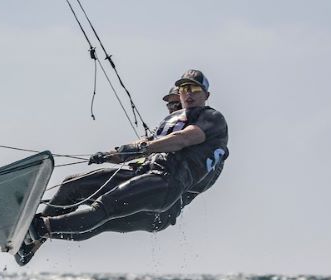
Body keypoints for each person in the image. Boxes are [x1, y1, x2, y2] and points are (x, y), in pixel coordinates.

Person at [15, 70, 229, 265]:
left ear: (206, 95)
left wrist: (144, 148)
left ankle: (39, 228)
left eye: (193, 90)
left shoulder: (212, 119)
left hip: (163, 193)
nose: (183, 99)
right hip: (143, 175)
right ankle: (31, 241)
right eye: (181, 93)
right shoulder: (171, 121)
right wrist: (112, 154)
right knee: (73, 185)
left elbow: (181, 140)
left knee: (100, 213)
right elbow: (142, 145)